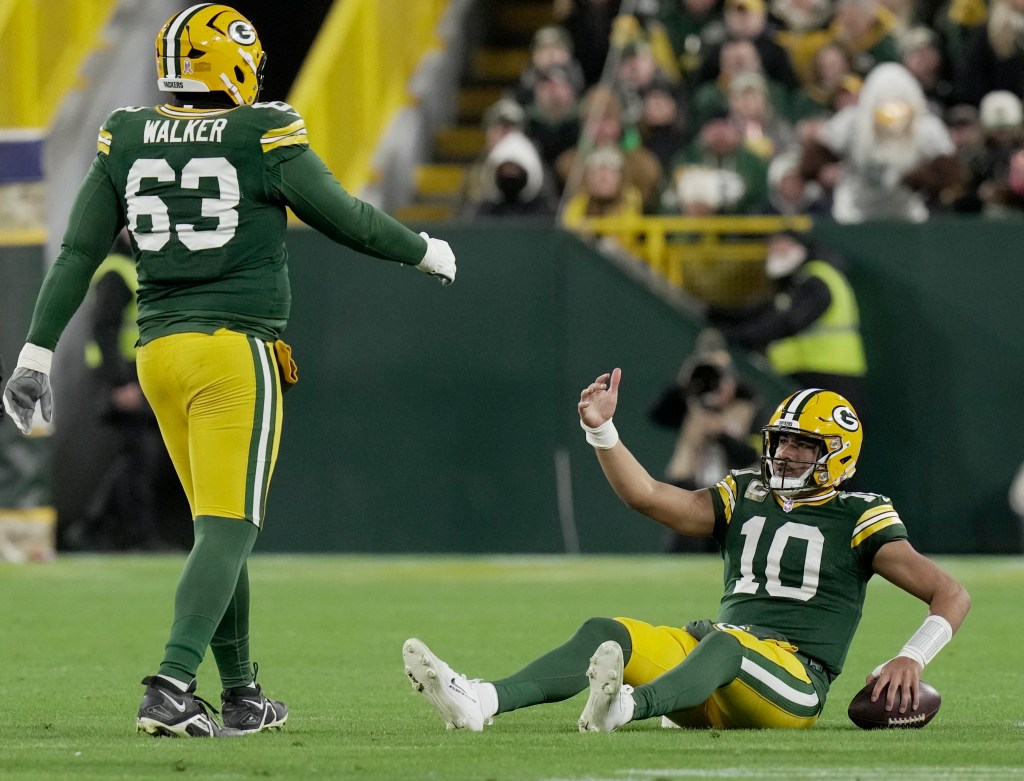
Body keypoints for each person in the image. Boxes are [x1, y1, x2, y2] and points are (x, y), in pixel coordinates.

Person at [2, 4, 456, 739]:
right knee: (229, 526)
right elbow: (343, 213)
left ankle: (243, 693)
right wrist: (424, 250)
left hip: (159, 356)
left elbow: (80, 253)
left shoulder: (127, 133)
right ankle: (172, 684)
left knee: (216, 525)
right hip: (232, 351)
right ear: (233, 61)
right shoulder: (261, 131)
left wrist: (33, 353)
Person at [402, 370, 971, 734]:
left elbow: (950, 593)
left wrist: (912, 656)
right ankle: (479, 700)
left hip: (793, 684)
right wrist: (603, 431)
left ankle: (625, 707)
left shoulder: (858, 515)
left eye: (804, 445)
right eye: (781, 441)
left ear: (839, 456)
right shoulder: (745, 491)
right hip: (710, 669)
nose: (787, 455)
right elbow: (650, 497)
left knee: (726, 643)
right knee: (609, 630)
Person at [707, 230, 868, 416]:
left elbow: (787, 322)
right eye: (773, 247)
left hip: (832, 381)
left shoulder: (818, 279)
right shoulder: (794, 283)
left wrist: (742, 338)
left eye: (783, 246)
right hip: (804, 379)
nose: (776, 252)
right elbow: (762, 315)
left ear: (800, 248)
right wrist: (720, 318)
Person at [798, 62, 961, 223]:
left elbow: (950, 173)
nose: (892, 120)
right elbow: (813, 161)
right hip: (855, 213)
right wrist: (821, 173)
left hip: (905, 213)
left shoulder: (926, 128)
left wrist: (919, 179)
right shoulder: (852, 125)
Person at [648, 330, 761, 553]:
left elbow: (753, 457)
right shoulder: (690, 402)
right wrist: (685, 382)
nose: (714, 385)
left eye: (720, 376)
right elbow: (657, 414)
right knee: (684, 549)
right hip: (691, 492)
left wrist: (720, 434)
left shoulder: (747, 404)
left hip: (733, 497)